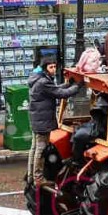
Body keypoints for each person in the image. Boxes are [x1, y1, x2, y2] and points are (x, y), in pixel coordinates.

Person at [27, 57, 79, 186]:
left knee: (34, 148)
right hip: (42, 120)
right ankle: (38, 178)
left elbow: (55, 89)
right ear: (45, 68)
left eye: (55, 67)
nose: (54, 70)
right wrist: (77, 86)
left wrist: (68, 84)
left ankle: (31, 176)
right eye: (51, 67)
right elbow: (61, 93)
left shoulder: (39, 79)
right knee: (41, 149)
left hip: (37, 119)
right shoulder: (44, 82)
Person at [72, 94, 108, 161]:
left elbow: (100, 125)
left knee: (78, 136)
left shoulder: (105, 106)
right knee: (76, 130)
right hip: (97, 125)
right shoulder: (102, 100)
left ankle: (76, 160)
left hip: (101, 130)